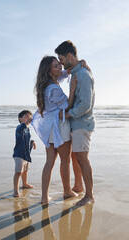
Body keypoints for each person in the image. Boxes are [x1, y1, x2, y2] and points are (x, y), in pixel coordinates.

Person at [32, 56, 79, 204]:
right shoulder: (53, 88)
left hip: (50, 128)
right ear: (49, 71)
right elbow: (67, 105)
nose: (61, 68)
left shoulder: (48, 84)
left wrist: (71, 68)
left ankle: (44, 197)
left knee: (49, 162)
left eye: (60, 65)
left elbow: (64, 74)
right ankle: (67, 191)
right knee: (65, 160)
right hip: (59, 127)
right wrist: (72, 90)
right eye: (56, 66)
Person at [56, 40, 95, 206]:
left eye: (62, 59)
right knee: (76, 157)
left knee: (82, 158)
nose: (61, 63)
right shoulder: (76, 72)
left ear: (70, 56)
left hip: (82, 124)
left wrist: (67, 115)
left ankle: (89, 196)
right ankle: (79, 187)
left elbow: (86, 104)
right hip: (76, 124)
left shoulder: (83, 75)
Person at [12, 110, 36, 197]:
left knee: (25, 171)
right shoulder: (20, 127)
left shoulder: (27, 129)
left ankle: (25, 184)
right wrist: (25, 123)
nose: (29, 118)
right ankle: (15, 190)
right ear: (20, 119)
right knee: (18, 172)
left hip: (26, 154)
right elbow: (22, 130)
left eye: (30, 116)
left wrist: (32, 142)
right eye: (26, 116)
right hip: (19, 154)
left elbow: (26, 139)